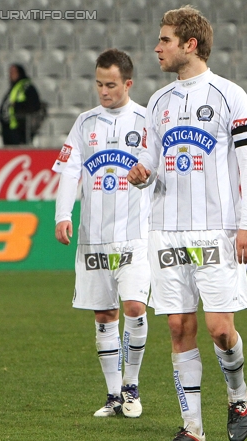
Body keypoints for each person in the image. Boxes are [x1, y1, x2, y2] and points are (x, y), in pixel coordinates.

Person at [127, 6, 247, 441]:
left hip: (216, 231)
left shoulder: (230, 96)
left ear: (190, 44)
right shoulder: (158, 103)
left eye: (165, 39)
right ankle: (193, 429)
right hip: (165, 231)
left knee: (221, 329)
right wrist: (142, 172)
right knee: (180, 328)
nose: (156, 47)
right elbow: (150, 157)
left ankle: (238, 396)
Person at [53, 49, 151, 419]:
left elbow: (153, 170)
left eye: (111, 85)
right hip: (93, 235)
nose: (103, 91)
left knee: (134, 307)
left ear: (128, 83)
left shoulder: (145, 120)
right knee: (105, 315)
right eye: (98, 84)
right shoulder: (84, 122)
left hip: (135, 235)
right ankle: (112, 396)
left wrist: (146, 179)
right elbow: (69, 170)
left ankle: (131, 386)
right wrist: (63, 213)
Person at [0, 64, 42, 145]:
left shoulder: (26, 86)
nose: (10, 75)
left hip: (21, 128)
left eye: (13, 72)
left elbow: (34, 105)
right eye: (10, 72)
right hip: (9, 128)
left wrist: (17, 106)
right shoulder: (14, 87)